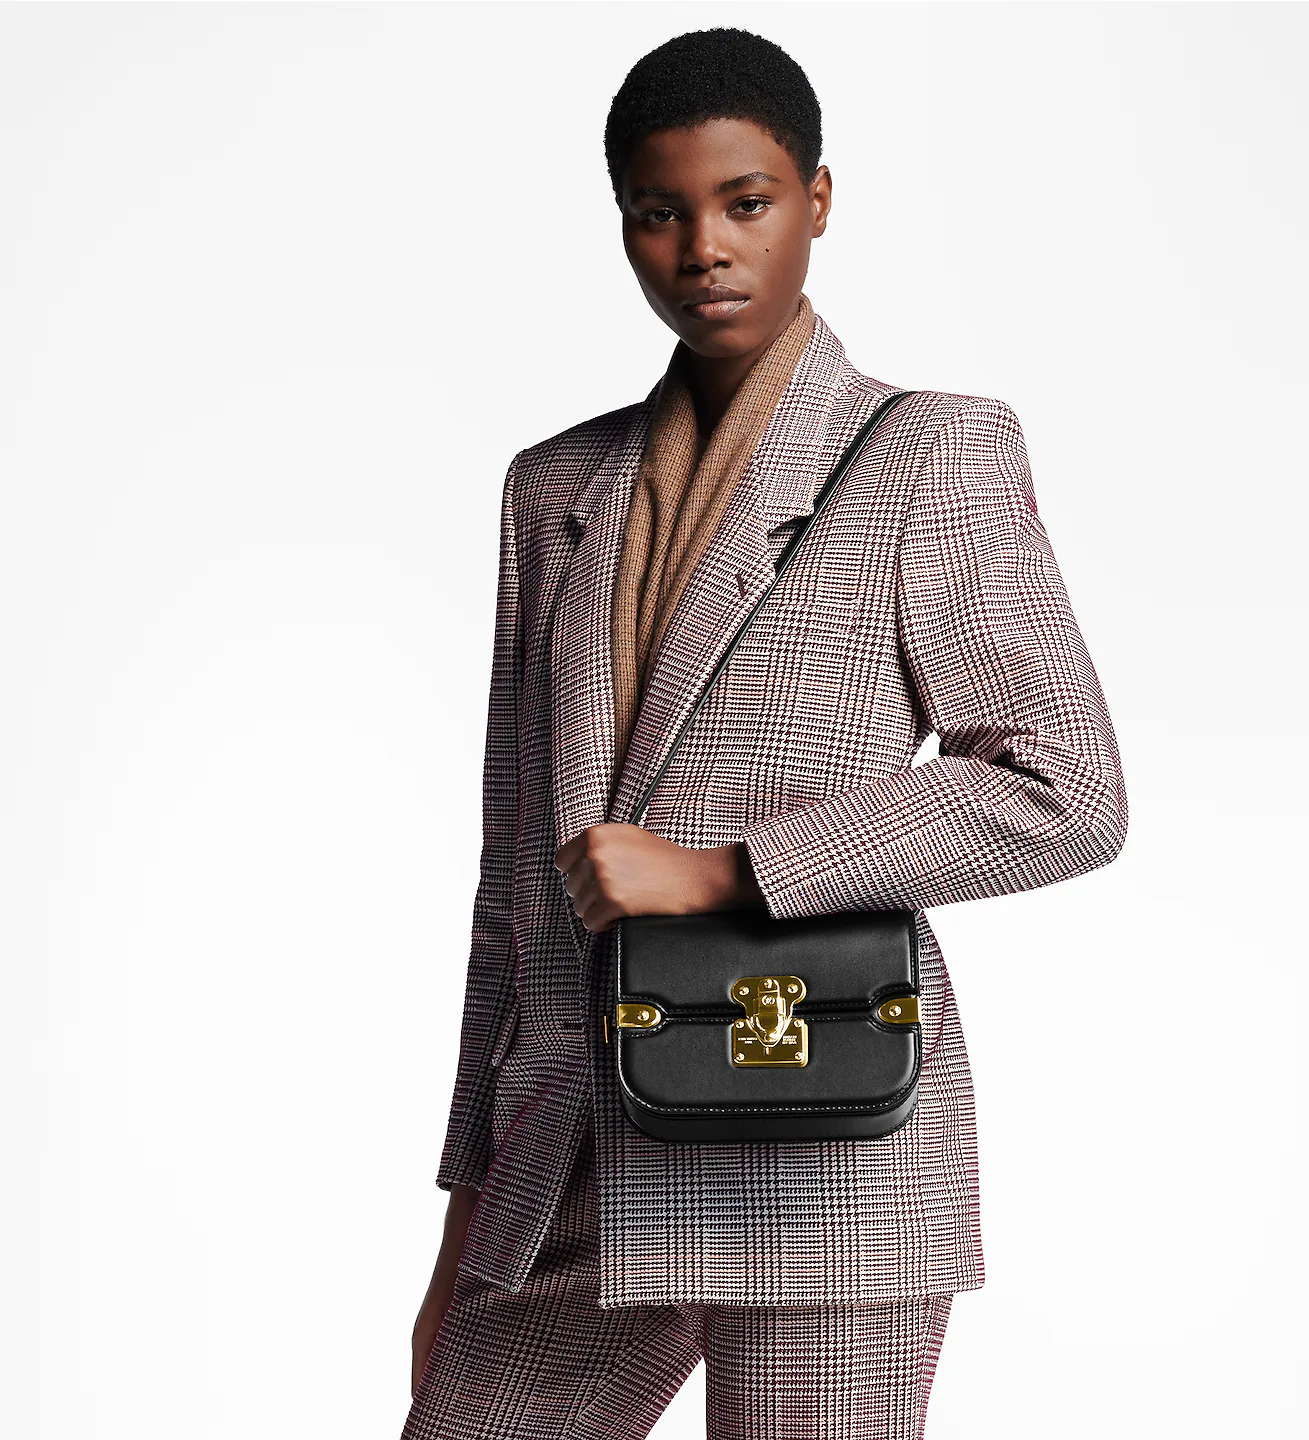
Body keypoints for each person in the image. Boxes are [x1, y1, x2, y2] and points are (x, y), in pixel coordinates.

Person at [400, 26, 1127, 1440]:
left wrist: (726, 869)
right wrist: (464, 1233)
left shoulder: (929, 452)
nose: (705, 250)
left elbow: (1066, 791)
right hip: (575, 1144)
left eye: (746, 203)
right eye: (660, 213)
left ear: (818, 200)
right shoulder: (557, 489)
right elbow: (513, 892)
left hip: (823, 1135)